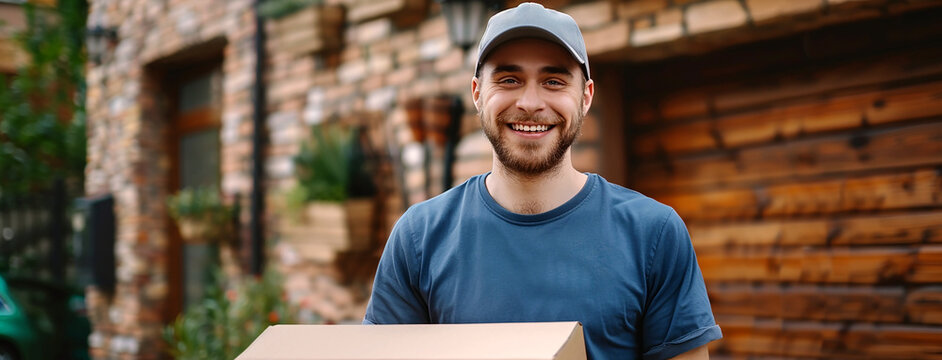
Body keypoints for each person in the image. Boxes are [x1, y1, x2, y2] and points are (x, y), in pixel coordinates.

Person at [363, 3, 722, 359]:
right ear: (477, 93)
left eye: (553, 81)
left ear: (585, 98)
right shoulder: (419, 237)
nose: (530, 102)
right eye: (508, 80)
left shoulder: (653, 234)